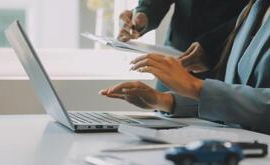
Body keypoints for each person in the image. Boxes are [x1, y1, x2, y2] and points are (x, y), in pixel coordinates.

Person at [100, 0, 270, 134]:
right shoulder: (254, 10)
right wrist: (163, 100)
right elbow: (237, 98)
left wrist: (195, 86)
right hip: (233, 136)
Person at [118, 0, 249, 92]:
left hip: (226, 59)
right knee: (163, 123)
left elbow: (256, 9)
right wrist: (144, 14)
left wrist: (211, 45)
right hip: (175, 58)